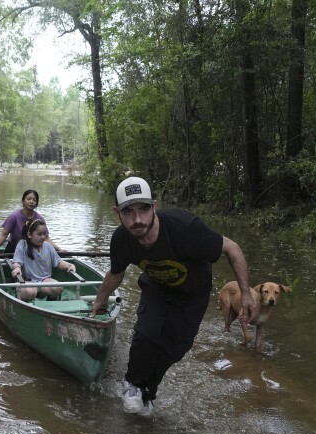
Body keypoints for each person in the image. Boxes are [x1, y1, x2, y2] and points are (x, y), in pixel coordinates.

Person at [91, 176, 258, 416]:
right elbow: (115, 274)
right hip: (157, 287)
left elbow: (232, 249)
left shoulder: (186, 229)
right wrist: (99, 300)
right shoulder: (121, 240)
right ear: (117, 212)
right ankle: (132, 385)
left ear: (154, 207)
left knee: (174, 348)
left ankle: (148, 394)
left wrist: (246, 294)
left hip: (193, 293)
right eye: (128, 212)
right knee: (147, 333)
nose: (137, 220)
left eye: (144, 209)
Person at [10, 219, 76, 302]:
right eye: (39, 234)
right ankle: (25, 305)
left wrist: (69, 265)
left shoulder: (48, 246)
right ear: (30, 234)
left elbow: (58, 262)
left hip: (44, 281)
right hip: (28, 281)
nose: (43, 237)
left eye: (44, 234)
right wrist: (17, 268)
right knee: (28, 292)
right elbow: (17, 261)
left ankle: (51, 304)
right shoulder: (22, 244)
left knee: (58, 287)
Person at [0, 189, 62, 255]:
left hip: (34, 251)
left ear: (37, 204)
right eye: (28, 199)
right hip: (14, 250)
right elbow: (3, 235)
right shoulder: (14, 216)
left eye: (34, 200)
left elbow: (46, 238)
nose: (31, 202)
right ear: (23, 201)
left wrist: (59, 249)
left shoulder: (40, 219)